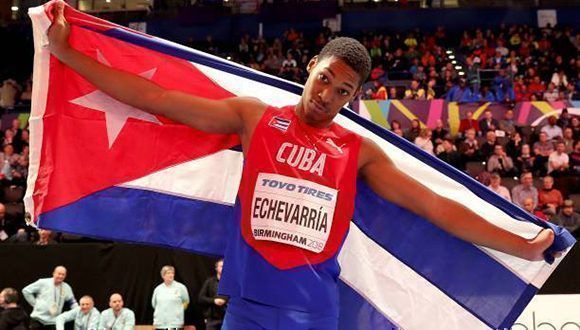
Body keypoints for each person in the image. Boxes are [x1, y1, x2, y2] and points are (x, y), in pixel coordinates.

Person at [47, 4, 556, 327]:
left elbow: (434, 205)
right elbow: (156, 95)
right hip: (245, 307)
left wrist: (521, 244)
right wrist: (69, 56)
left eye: (344, 92)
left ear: (353, 98)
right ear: (311, 66)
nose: (328, 96)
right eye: (326, 80)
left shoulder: (358, 151)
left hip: (312, 313)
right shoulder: (253, 117)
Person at [22, 266, 77, 330]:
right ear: (53, 273)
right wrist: (35, 304)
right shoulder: (43, 282)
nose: (61, 276)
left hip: (53, 322)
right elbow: (26, 291)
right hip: (38, 320)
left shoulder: (66, 287)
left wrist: (77, 311)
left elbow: (72, 302)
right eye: (59, 274)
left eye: (63, 274)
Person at [199, 260, 227, 330]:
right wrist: (214, 301)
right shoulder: (210, 281)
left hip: (226, 318)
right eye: (221, 266)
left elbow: (235, 298)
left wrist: (225, 300)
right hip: (212, 319)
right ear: (216, 268)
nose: (223, 268)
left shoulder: (230, 283)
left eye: (225, 266)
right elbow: (201, 298)